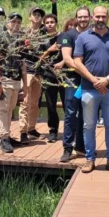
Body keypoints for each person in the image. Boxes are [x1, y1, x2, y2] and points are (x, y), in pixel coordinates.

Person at [73, 6, 109, 174]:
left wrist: (108, 79)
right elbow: (77, 62)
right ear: (92, 18)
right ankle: (90, 159)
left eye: (103, 16)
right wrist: (94, 80)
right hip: (89, 88)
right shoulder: (83, 37)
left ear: (108, 18)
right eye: (97, 16)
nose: (100, 19)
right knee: (89, 125)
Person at [18, 0, 58, 142]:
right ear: (30, 17)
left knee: (35, 102)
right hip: (26, 70)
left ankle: (31, 128)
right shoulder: (23, 32)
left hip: (39, 72)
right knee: (25, 102)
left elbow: (54, 19)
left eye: (39, 15)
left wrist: (54, 3)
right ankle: (22, 131)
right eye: (35, 14)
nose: (37, 17)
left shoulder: (43, 31)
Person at [58, 8, 90, 162]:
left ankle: (82, 146)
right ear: (76, 18)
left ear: (89, 18)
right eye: (80, 17)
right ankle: (67, 148)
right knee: (71, 114)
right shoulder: (68, 35)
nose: (83, 19)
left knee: (87, 115)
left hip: (90, 81)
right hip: (72, 80)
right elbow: (67, 58)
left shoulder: (94, 34)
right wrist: (85, 72)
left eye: (85, 17)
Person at [0, 12, 27, 153]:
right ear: (8, 23)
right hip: (5, 78)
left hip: (16, 79)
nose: (16, 24)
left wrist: (25, 85)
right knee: (2, 108)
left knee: (11, 108)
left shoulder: (21, 40)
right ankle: (4, 137)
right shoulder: (1, 38)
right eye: (13, 21)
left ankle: (6, 135)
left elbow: (23, 62)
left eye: (19, 22)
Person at [38, 14, 64, 143]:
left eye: (52, 22)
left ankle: (71, 131)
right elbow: (39, 58)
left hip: (64, 75)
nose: (49, 24)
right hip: (48, 75)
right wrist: (49, 50)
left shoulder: (63, 37)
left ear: (56, 23)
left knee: (67, 104)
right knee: (50, 105)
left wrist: (63, 62)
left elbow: (70, 53)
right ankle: (53, 131)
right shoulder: (42, 39)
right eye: (47, 22)